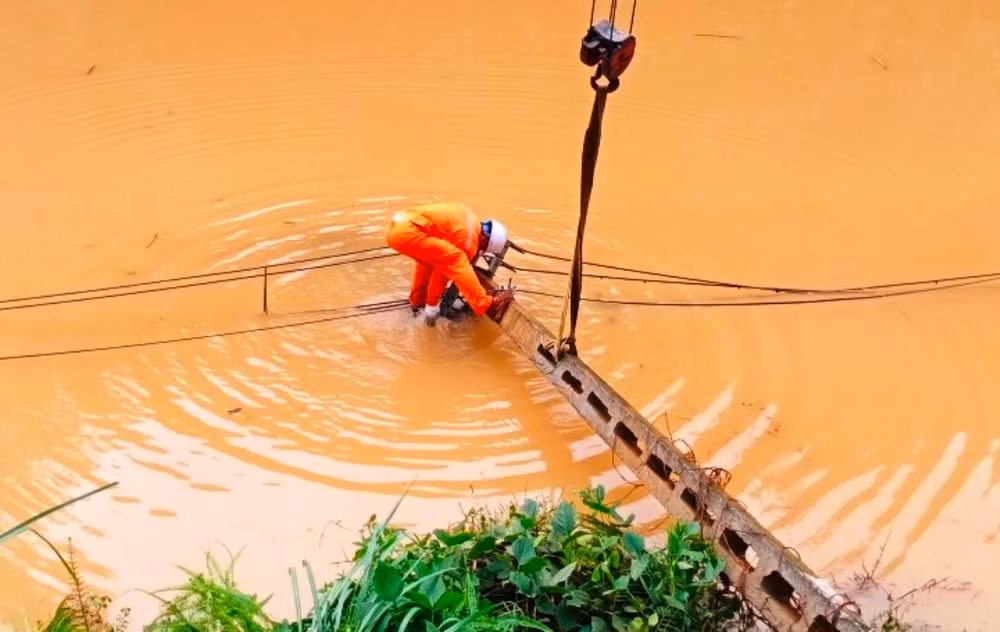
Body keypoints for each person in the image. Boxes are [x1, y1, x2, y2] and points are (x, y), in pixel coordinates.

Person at [384, 202, 515, 325]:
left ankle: (417, 304)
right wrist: (432, 305)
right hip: (408, 231)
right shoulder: (468, 242)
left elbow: (437, 263)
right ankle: (485, 304)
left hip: (396, 226)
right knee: (458, 258)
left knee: (428, 261)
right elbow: (443, 272)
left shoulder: (467, 216)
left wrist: (427, 302)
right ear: (486, 242)